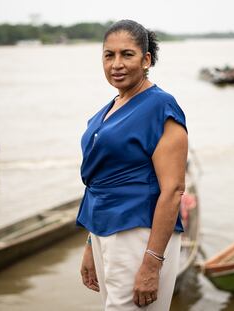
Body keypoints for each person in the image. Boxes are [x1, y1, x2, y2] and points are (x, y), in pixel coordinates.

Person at [77, 20, 188, 310]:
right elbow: (101, 179)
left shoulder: (160, 106)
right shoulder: (111, 106)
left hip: (138, 232)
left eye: (127, 54)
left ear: (146, 59)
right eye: (109, 55)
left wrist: (152, 263)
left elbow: (174, 189)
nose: (117, 64)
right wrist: (92, 244)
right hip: (104, 231)